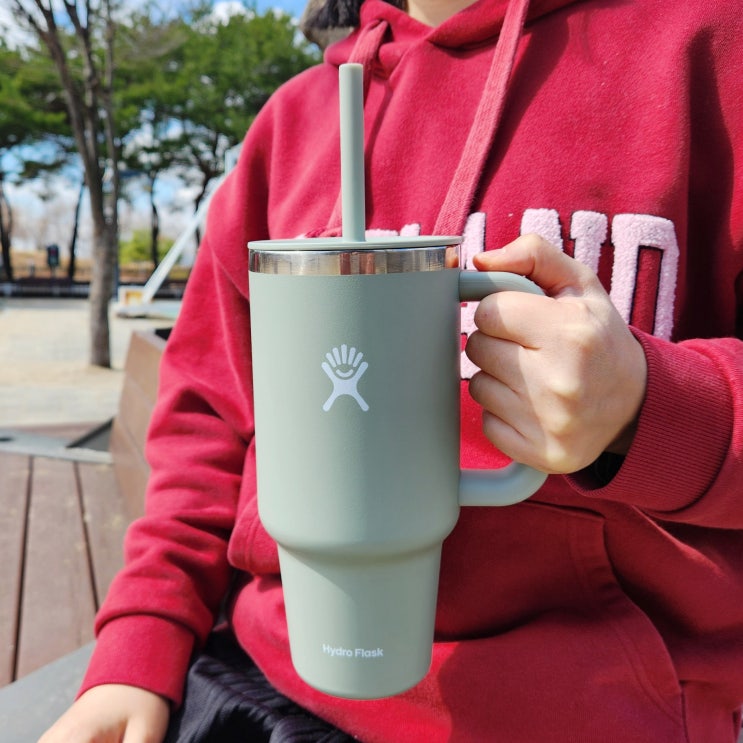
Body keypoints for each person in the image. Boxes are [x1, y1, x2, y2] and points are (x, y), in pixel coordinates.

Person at [41, 0, 743, 740]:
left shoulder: (710, 46)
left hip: (595, 716)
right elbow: (208, 422)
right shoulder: (292, 124)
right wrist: (140, 642)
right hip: (264, 680)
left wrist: (650, 406)